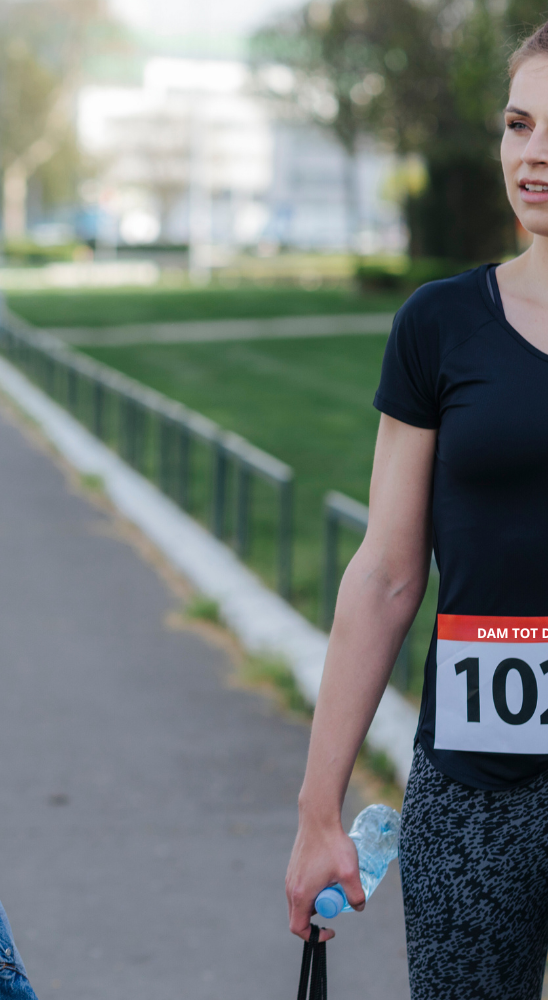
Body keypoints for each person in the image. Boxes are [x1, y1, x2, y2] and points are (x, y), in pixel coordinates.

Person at [284, 22, 548, 997]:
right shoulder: (438, 325)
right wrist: (318, 810)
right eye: (519, 124)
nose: (534, 154)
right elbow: (388, 574)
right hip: (473, 790)